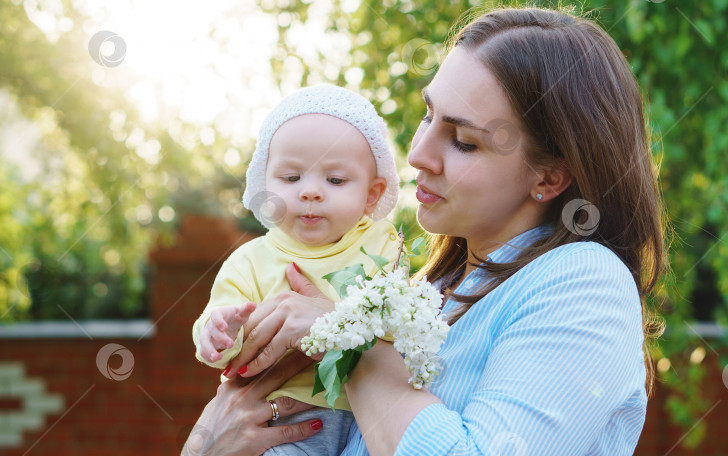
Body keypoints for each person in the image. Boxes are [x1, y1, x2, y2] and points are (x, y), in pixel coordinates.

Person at [184, 6, 667, 456]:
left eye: (462, 141)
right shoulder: (427, 292)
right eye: (427, 114)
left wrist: (347, 338)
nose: (416, 154)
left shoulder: (583, 282)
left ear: (549, 177)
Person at [190, 84, 402, 456]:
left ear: (372, 193)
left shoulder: (383, 245)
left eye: (335, 180)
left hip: (371, 410)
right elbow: (222, 337)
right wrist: (220, 333)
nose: (310, 192)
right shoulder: (250, 260)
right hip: (283, 420)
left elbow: (398, 323)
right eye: (291, 178)